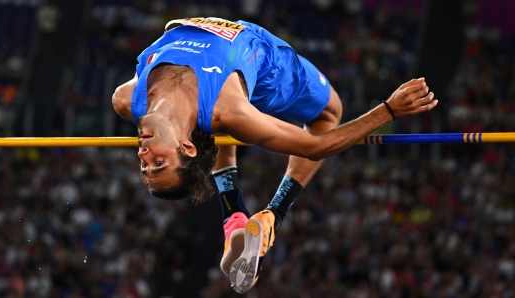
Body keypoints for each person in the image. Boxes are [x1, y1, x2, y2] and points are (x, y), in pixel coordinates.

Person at [112, 17, 437, 294]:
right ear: (185, 148)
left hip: (209, 49)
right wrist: (388, 110)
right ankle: (273, 214)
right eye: (159, 163)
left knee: (206, 121)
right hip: (266, 64)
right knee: (328, 113)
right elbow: (315, 146)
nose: (144, 154)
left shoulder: (127, 99)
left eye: (146, 166)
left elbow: (190, 122)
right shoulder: (230, 111)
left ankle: (234, 219)